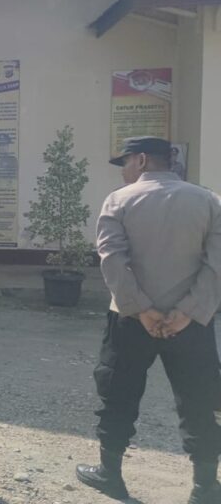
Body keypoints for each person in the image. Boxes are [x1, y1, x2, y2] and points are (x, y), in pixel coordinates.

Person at [76, 136, 221, 503]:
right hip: (192, 324)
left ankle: (110, 474)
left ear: (141, 160)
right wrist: (188, 312)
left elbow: (112, 259)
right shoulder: (208, 201)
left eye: (124, 162)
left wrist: (141, 308)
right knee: (200, 400)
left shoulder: (119, 200)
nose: (123, 171)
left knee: (118, 394)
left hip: (130, 320)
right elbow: (216, 263)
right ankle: (205, 486)